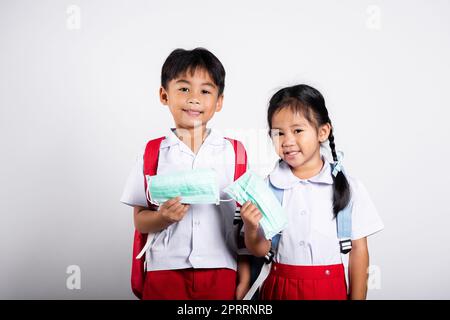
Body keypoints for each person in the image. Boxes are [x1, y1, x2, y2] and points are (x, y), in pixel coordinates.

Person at [120, 48, 250, 300]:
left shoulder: (235, 153)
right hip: (165, 269)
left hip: (220, 268)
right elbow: (140, 220)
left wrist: (244, 267)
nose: (194, 99)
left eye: (205, 91)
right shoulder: (153, 152)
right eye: (183, 89)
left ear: (219, 101)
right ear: (163, 95)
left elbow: (243, 220)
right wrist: (163, 218)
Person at [241, 84, 384, 300]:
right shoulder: (266, 187)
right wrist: (251, 228)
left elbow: (358, 252)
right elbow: (260, 250)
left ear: (322, 132)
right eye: (278, 133)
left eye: (297, 130)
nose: (287, 141)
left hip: (330, 289)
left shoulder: (349, 187)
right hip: (279, 288)